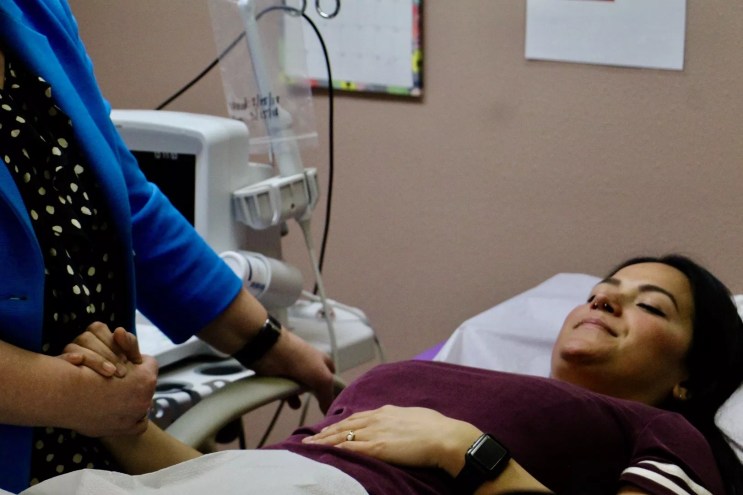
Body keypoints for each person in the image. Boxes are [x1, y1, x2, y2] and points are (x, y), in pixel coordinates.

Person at [0, 1, 334, 492]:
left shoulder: (34, 12)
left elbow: (126, 203)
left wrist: (268, 343)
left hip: (94, 434)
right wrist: (77, 398)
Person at [61, 255, 743, 494]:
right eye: (602, 287)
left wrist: (463, 450)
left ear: (688, 376)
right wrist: (124, 417)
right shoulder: (448, 377)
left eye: (651, 304)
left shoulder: (663, 431)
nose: (603, 298)